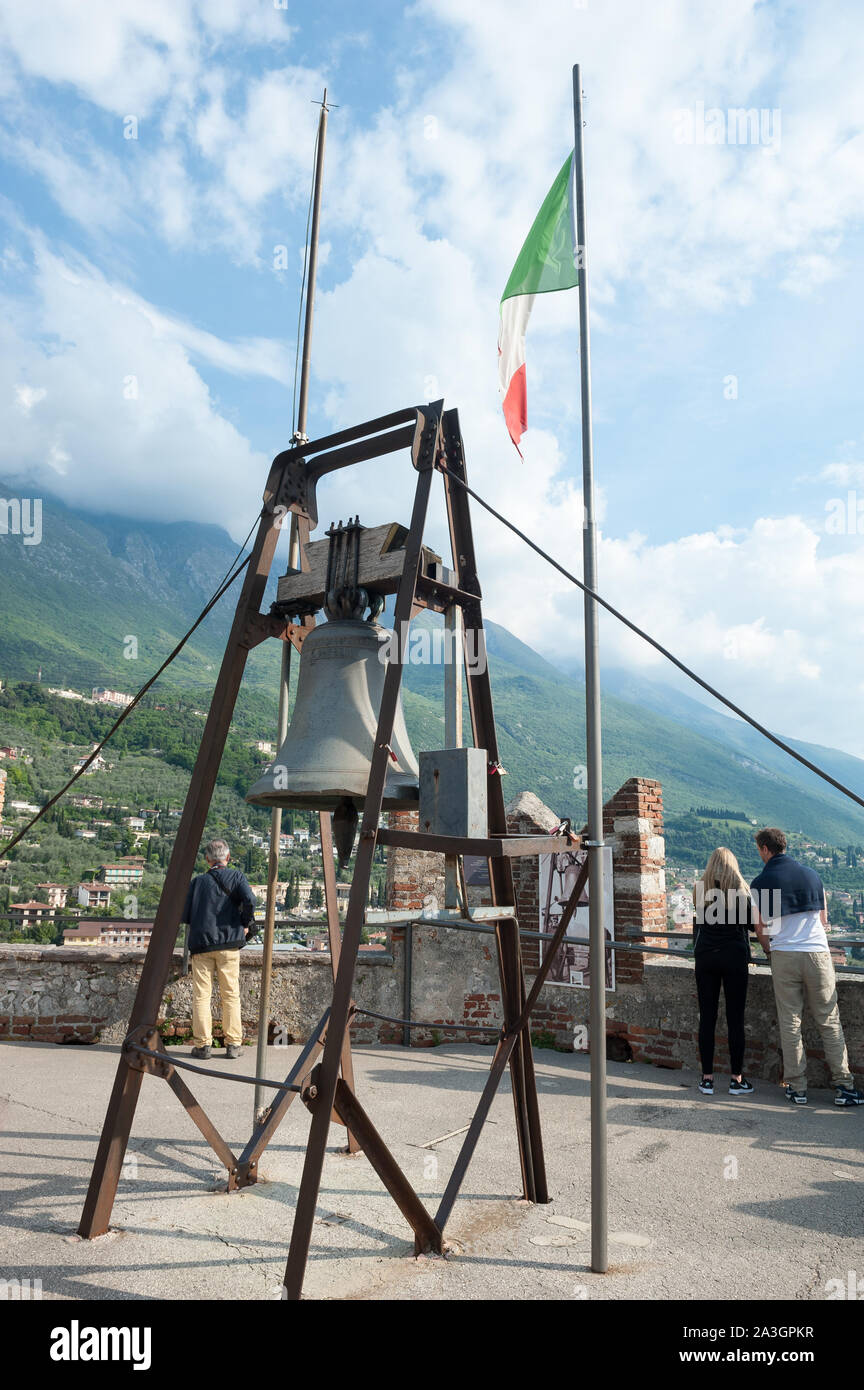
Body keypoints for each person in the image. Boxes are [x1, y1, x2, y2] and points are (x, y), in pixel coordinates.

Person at [750, 827, 863, 1108]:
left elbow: (761, 926)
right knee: (829, 1020)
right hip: (817, 953)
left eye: (759, 849)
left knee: (790, 1022)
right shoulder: (813, 875)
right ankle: (844, 1087)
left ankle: (797, 1088)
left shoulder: (761, 882)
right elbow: (823, 920)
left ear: (765, 849)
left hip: (784, 954)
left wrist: (768, 948)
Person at [181, 839, 258, 1060]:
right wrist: (244, 923)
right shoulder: (236, 876)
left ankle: (203, 1045)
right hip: (229, 943)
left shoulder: (197, 883)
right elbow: (250, 900)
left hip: (201, 944)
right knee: (231, 995)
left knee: (201, 996)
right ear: (228, 858)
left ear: (207, 859)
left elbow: (185, 915)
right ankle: (233, 1044)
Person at [692, 847, 756, 1096]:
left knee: (707, 1017)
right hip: (734, 957)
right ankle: (736, 1079)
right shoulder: (741, 892)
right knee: (735, 1019)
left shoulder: (700, 889)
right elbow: (751, 925)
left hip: (706, 957)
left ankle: (707, 1078)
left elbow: (698, 923)